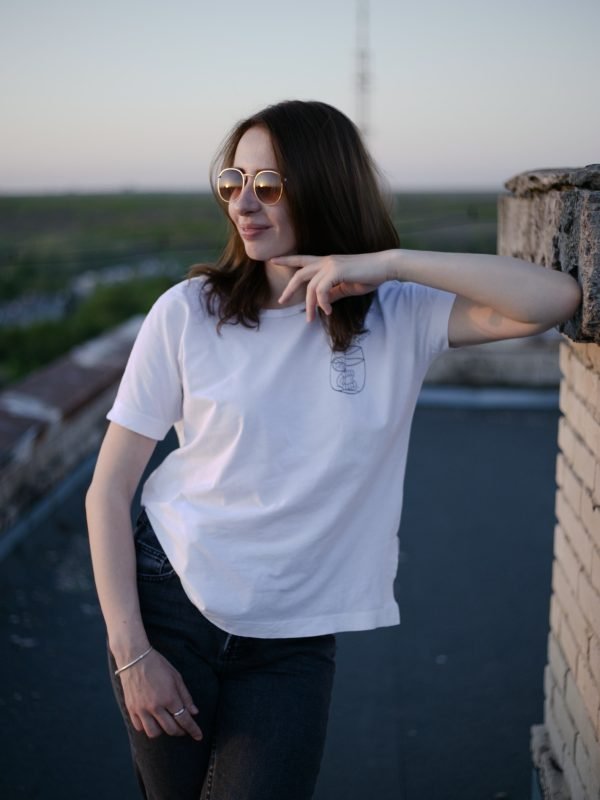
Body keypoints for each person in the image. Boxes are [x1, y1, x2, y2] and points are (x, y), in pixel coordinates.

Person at [86, 99, 581, 800]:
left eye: (269, 184)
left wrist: (388, 262)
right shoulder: (189, 312)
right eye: (233, 182)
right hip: (170, 604)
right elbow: (107, 491)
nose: (244, 204)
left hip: (293, 636)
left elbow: (554, 298)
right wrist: (132, 652)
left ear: (323, 185)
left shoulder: (398, 312)